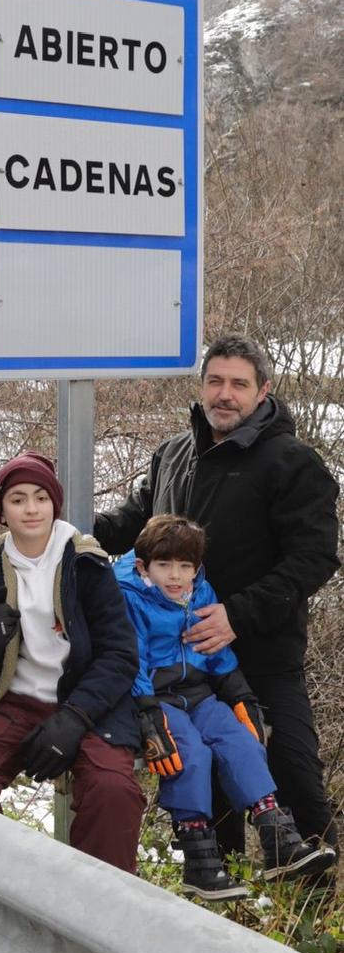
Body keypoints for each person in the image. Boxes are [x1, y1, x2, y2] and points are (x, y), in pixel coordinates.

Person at [95, 334, 340, 861]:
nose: (224, 394)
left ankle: (315, 912)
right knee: (209, 795)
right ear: (202, 386)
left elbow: (313, 558)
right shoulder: (173, 454)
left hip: (264, 658)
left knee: (295, 777)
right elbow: (134, 526)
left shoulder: (294, 463)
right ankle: (222, 902)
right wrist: (71, 533)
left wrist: (236, 615)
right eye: (215, 381)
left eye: (238, 384)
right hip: (183, 670)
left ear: (263, 391)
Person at [114, 514, 335, 900]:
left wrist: (240, 695)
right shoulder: (131, 598)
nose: (175, 576)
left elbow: (217, 653)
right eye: (164, 565)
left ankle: (277, 837)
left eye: (185, 566)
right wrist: (146, 708)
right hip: (158, 697)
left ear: (197, 569)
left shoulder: (200, 593)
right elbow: (131, 656)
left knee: (242, 739)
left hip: (199, 693)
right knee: (191, 754)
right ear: (143, 566)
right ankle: (199, 854)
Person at [0, 452, 146, 873]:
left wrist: (75, 717)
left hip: (90, 706)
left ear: (55, 503)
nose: (31, 508)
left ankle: (101, 908)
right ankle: (3, 881)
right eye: (18, 499)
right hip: (18, 701)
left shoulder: (87, 561)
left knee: (112, 791)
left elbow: (121, 653)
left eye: (41, 497)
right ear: (2, 510)